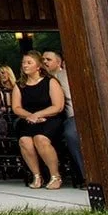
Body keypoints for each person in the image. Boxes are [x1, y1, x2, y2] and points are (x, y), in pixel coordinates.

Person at [11, 51, 65, 189]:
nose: (25, 65)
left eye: (29, 62)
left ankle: (55, 176)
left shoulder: (50, 81)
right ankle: (37, 175)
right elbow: (16, 107)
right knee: (25, 141)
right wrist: (30, 116)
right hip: (28, 119)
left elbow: (58, 106)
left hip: (50, 118)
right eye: (23, 62)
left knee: (40, 139)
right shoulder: (20, 85)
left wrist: (38, 115)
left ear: (38, 66)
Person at [40, 49, 84, 180]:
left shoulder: (64, 76)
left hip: (72, 116)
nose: (44, 62)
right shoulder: (43, 79)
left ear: (58, 62)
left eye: (48, 59)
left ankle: (85, 174)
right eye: (42, 60)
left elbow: (68, 100)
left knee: (71, 134)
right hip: (55, 119)